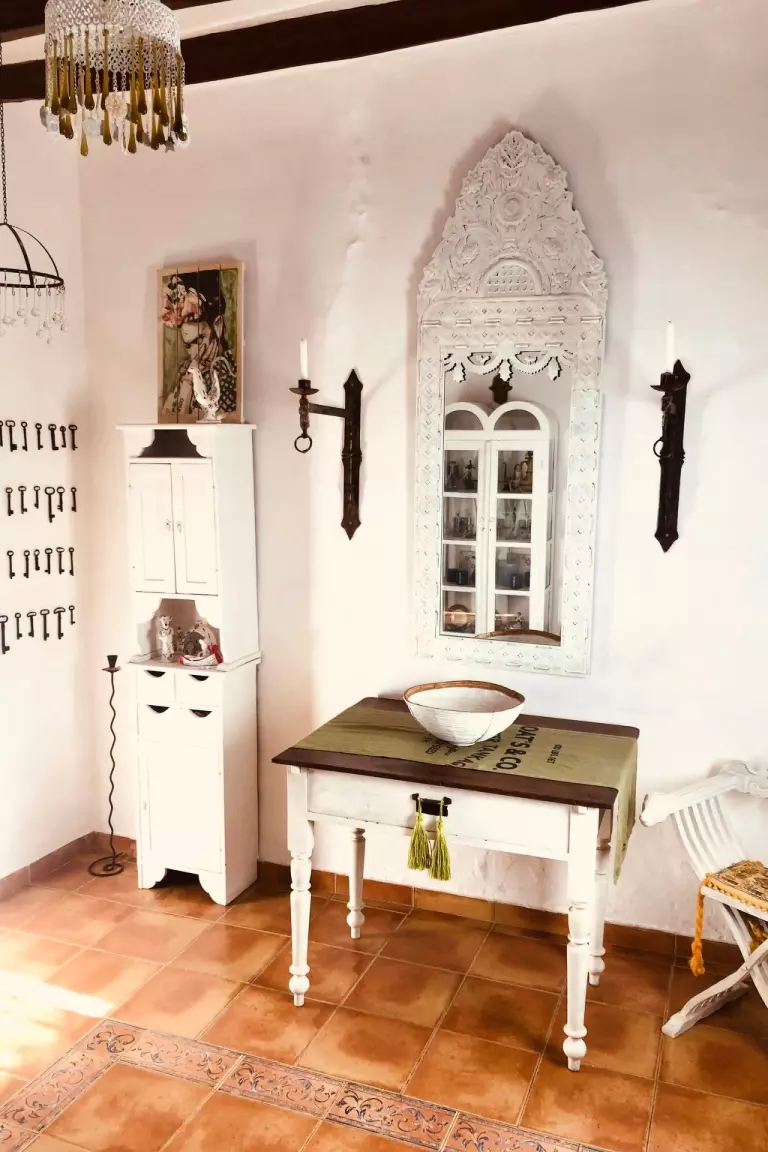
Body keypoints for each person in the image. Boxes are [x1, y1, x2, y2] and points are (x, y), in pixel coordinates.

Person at [160, 268, 237, 419]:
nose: (193, 353)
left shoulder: (228, 374)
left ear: (217, 327)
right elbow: (169, 416)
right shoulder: (186, 369)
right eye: (188, 346)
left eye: (199, 341)